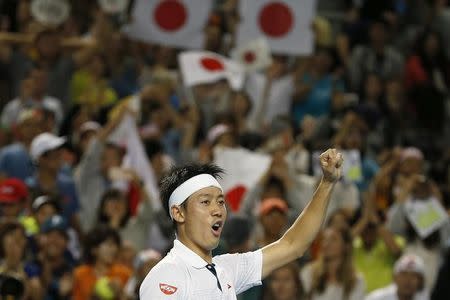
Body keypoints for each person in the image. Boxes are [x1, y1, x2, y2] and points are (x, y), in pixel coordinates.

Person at [139, 148, 344, 299]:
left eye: (220, 201)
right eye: (205, 202)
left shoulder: (226, 269)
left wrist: (326, 184)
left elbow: (293, 245)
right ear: (178, 213)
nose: (217, 209)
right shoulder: (166, 277)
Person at [365, 254, 430, 300]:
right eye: (404, 274)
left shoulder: (424, 298)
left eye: (413, 276)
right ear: (394, 277)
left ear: (420, 281)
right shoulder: (376, 298)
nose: (408, 280)